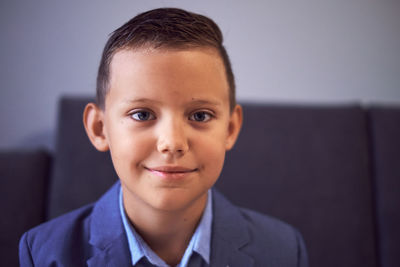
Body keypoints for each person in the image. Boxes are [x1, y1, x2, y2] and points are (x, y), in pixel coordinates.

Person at [19, 8, 308, 267]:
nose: (172, 143)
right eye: (142, 114)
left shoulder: (283, 250)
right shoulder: (44, 254)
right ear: (99, 128)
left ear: (230, 129)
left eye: (200, 116)